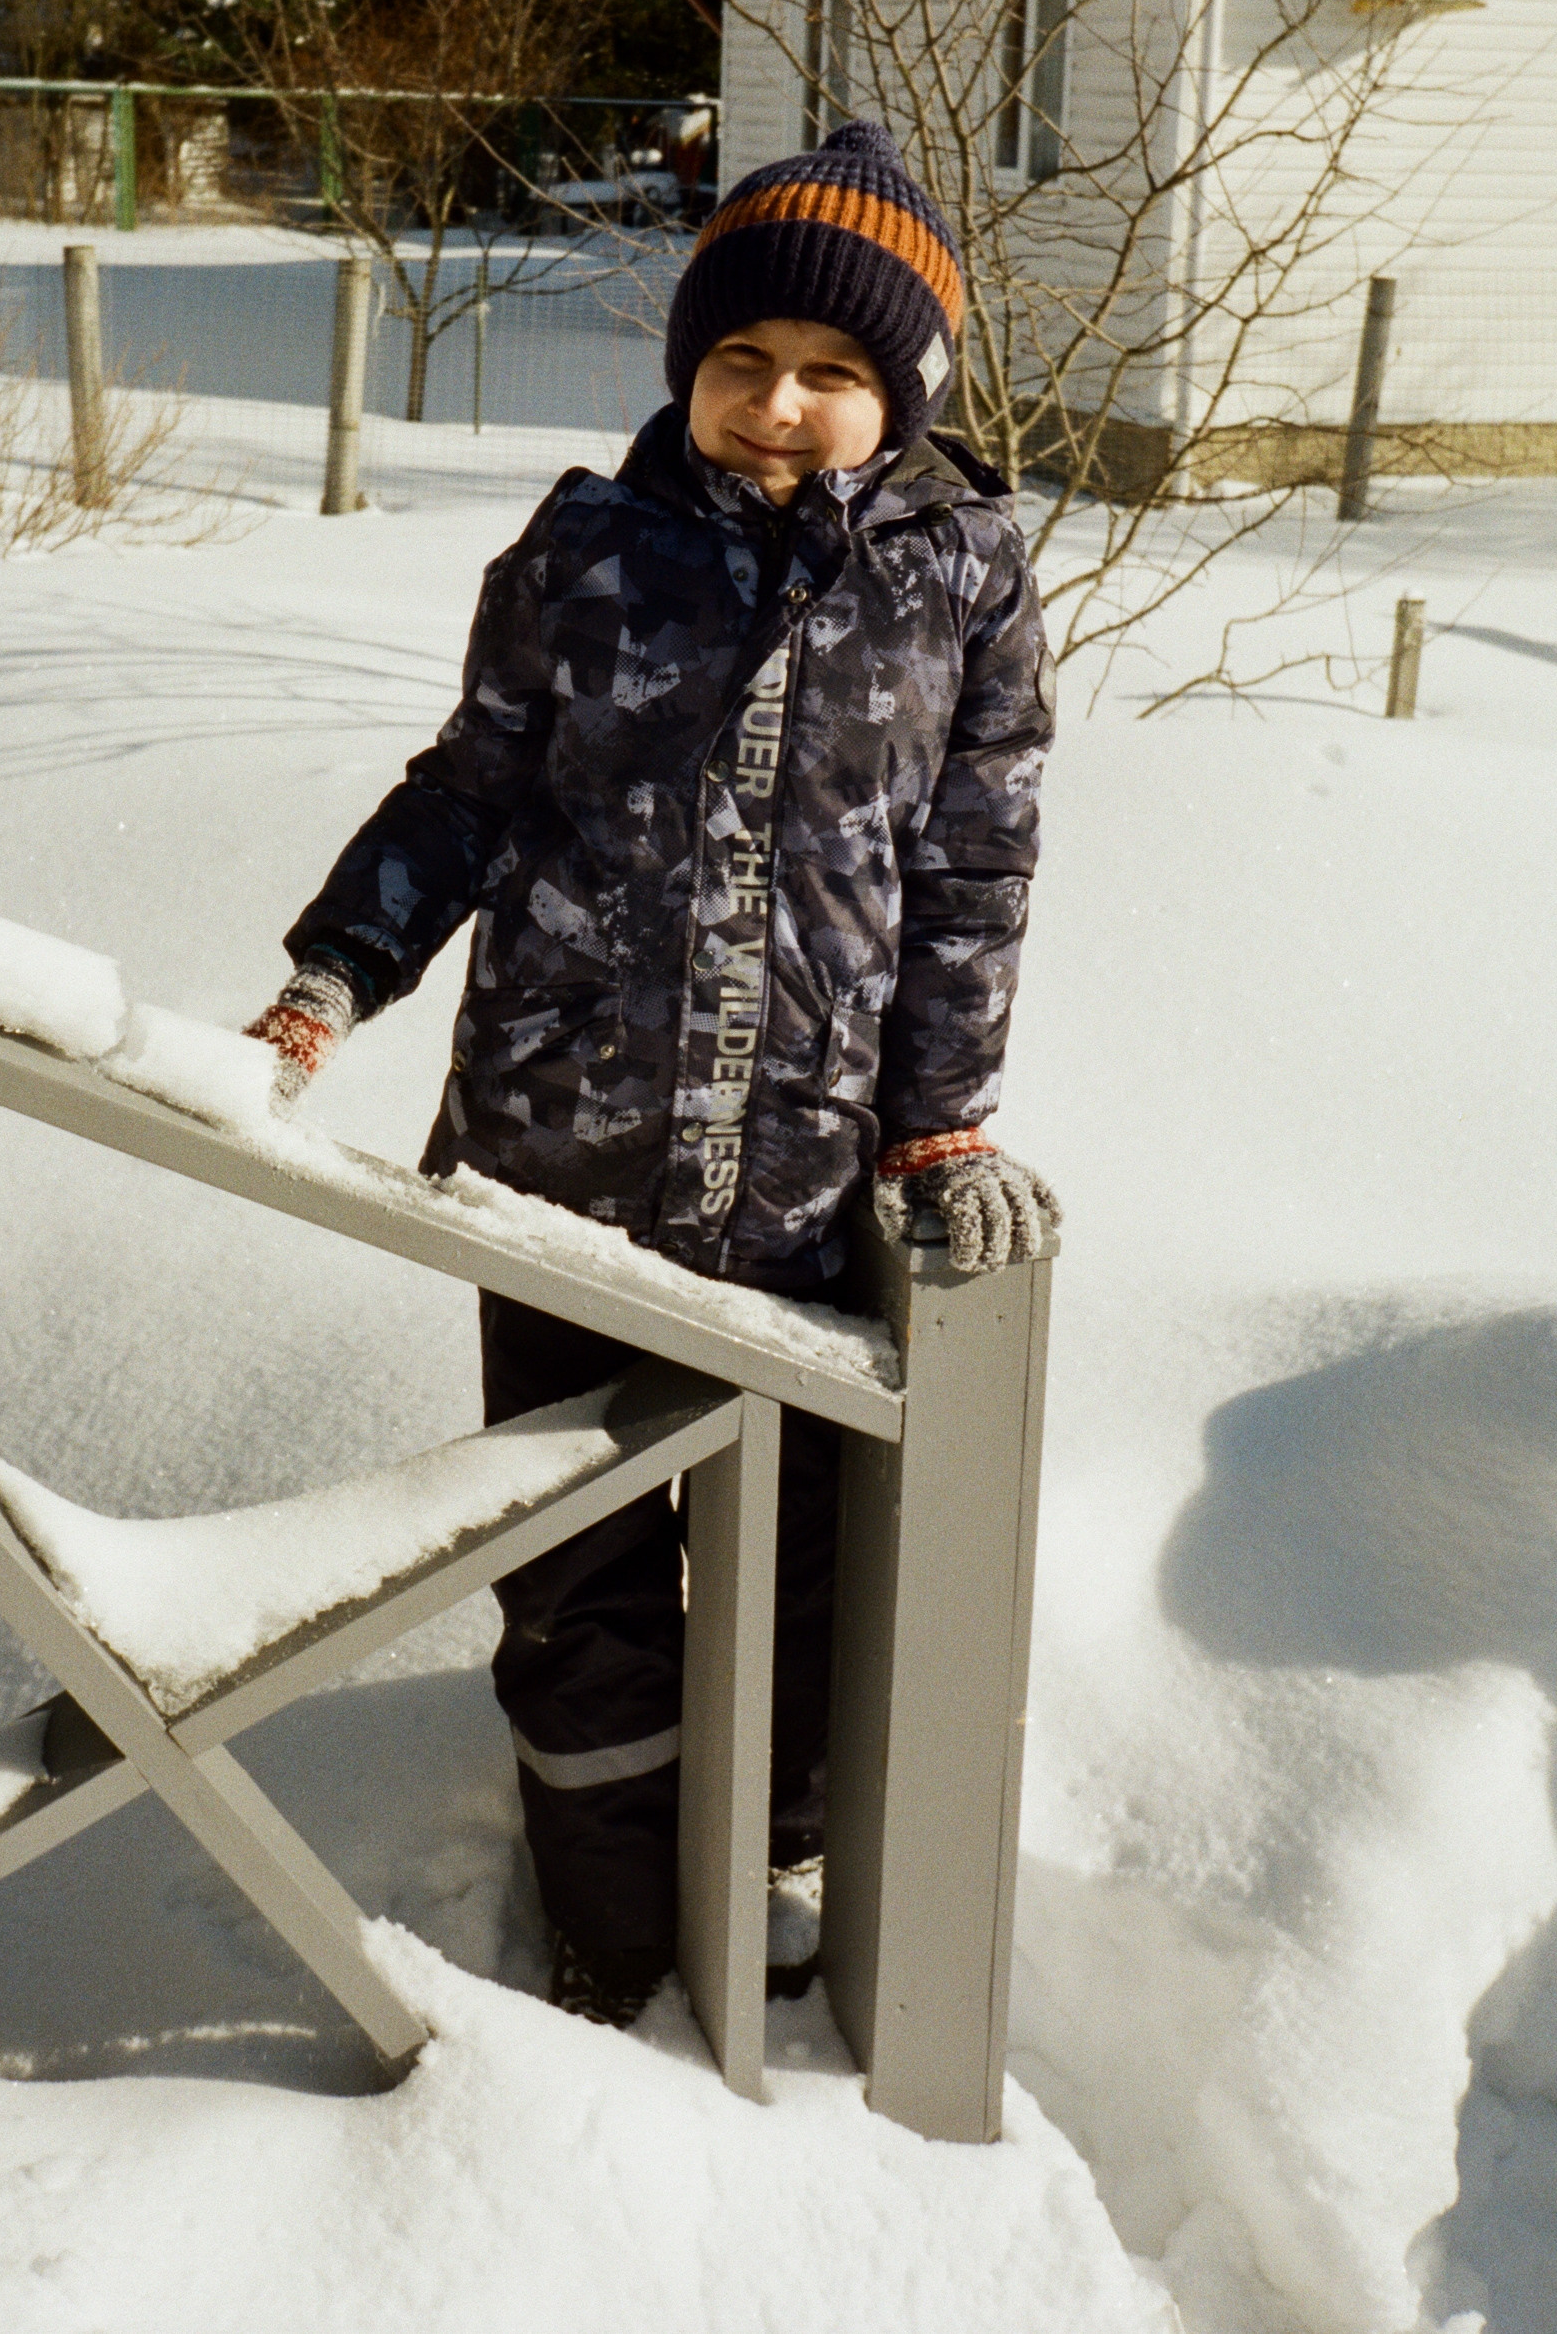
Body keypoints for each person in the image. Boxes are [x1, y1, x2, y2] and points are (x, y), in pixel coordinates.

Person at [245, 117, 1058, 2028]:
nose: (781, 406)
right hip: (559, 1179)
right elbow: (470, 787)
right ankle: (612, 1935)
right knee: (580, 1581)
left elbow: (975, 864)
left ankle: (759, 1888)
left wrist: (942, 1112)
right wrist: (336, 966)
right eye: (741, 364)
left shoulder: (964, 578)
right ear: (687, 370)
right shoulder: (588, 551)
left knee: (793, 1580)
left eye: (835, 375)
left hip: (796, 1198)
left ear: (906, 392)